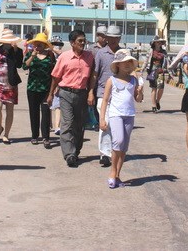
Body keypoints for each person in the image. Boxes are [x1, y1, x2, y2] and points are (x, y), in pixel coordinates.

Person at [47, 30, 94, 167]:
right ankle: (69, 154)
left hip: (82, 94)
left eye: (84, 40)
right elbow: (56, 77)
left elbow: (92, 76)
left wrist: (91, 92)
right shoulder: (64, 57)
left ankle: (76, 151)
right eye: (79, 41)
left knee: (79, 125)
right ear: (72, 43)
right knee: (67, 124)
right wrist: (50, 94)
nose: (83, 43)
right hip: (66, 93)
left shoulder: (89, 57)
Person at [99, 49, 143, 188]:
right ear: (117, 64)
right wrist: (102, 119)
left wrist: (140, 92)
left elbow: (138, 99)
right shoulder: (111, 80)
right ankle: (112, 171)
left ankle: (118, 174)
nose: (127, 64)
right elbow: (105, 100)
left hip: (129, 115)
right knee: (118, 140)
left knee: (124, 147)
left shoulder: (134, 80)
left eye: (130, 62)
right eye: (124, 62)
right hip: (115, 114)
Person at [89, 24, 123, 167]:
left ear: (119, 38)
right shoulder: (101, 54)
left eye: (115, 38)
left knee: (116, 126)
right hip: (102, 93)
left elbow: (130, 72)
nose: (113, 40)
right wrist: (91, 92)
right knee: (105, 123)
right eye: (110, 37)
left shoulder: (123, 53)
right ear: (106, 38)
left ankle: (114, 152)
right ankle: (104, 154)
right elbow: (95, 75)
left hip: (120, 94)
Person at [0, 28, 24, 144]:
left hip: (11, 84)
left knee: (10, 111)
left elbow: (19, 65)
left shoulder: (18, 51)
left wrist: (15, 51)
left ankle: (6, 135)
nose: (8, 42)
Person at [23, 32, 56, 148]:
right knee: (34, 113)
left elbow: (54, 73)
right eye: (35, 45)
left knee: (46, 112)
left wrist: (54, 90)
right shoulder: (30, 55)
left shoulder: (50, 55)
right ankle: (34, 136)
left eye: (40, 45)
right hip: (32, 88)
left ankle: (46, 137)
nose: (37, 47)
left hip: (46, 89)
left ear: (45, 45)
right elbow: (25, 66)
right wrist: (32, 56)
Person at [144, 36, 168, 113]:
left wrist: (169, 72)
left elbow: (167, 62)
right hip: (152, 71)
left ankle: (157, 101)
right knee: (154, 88)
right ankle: (154, 105)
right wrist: (142, 70)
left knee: (161, 88)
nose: (159, 43)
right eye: (157, 42)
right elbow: (146, 60)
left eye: (160, 42)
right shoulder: (151, 51)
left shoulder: (164, 52)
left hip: (160, 71)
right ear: (154, 43)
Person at [49, 35, 64, 135]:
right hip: (47, 82)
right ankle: (49, 123)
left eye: (58, 45)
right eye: (54, 44)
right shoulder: (48, 54)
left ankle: (57, 126)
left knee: (58, 105)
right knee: (49, 105)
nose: (56, 46)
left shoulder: (62, 56)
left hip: (58, 82)